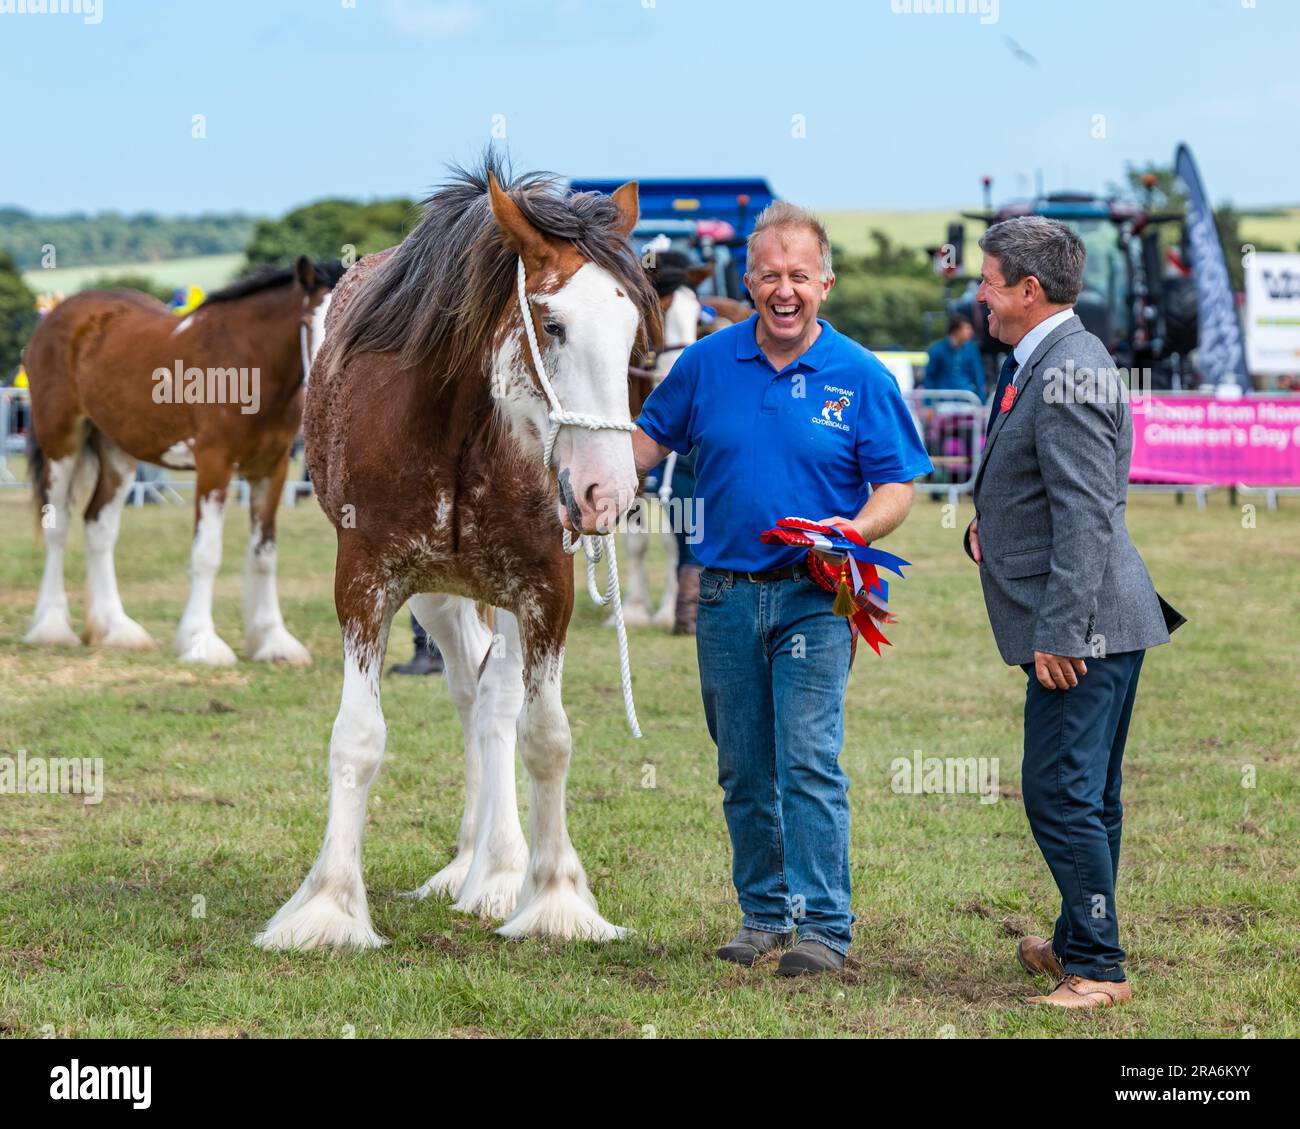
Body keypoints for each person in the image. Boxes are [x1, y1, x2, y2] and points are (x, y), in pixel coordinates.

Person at [632, 201, 932, 976]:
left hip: (818, 594)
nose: (784, 289)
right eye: (770, 274)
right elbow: (645, 440)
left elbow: (898, 485)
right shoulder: (703, 363)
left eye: (800, 274)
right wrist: (593, 472)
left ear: (825, 283)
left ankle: (825, 925)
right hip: (724, 596)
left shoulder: (859, 375)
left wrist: (855, 531)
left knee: (808, 757)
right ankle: (763, 914)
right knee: (741, 763)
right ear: (749, 280)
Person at [964, 216, 1180, 1009]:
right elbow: (1041, 487)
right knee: (1089, 791)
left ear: (1028, 290)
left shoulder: (1069, 369)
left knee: (1059, 792)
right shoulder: (1049, 357)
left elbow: (1089, 512)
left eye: (988, 280)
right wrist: (988, 524)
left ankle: (1097, 966)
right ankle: (1072, 937)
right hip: (1098, 618)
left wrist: (1060, 629)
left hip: (1084, 625)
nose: (978, 293)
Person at [922, 313, 984, 398]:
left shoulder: (972, 349)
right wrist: (928, 404)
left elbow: (978, 376)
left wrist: (982, 401)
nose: (971, 332)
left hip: (967, 400)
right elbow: (929, 377)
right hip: (943, 402)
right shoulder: (937, 350)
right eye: (967, 328)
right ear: (956, 330)